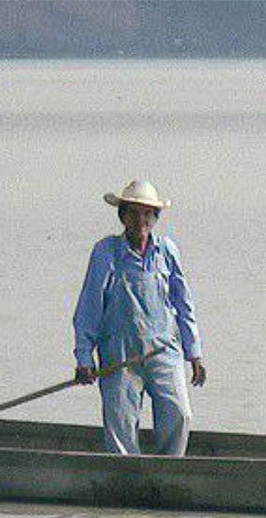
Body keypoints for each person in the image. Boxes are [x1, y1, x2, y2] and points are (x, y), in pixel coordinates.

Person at [72, 179, 207, 456]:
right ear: (123, 216)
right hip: (119, 354)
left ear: (155, 217)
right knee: (120, 425)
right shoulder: (106, 252)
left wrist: (194, 353)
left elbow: (183, 303)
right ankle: (125, 480)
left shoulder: (166, 251)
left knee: (180, 415)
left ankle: (170, 476)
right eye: (133, 212)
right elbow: (89, 308)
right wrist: (84, 357)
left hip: (163, 349)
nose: (140, 220)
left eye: (147, 213)